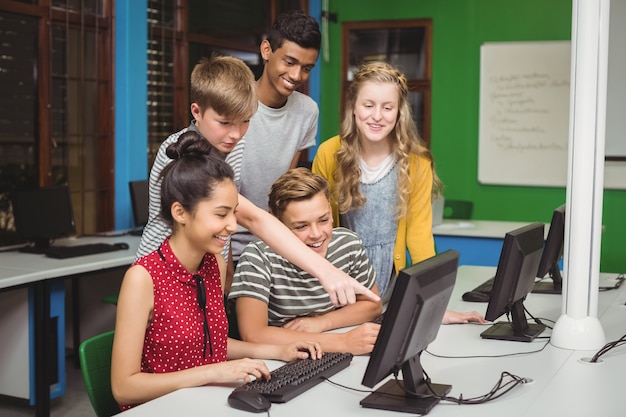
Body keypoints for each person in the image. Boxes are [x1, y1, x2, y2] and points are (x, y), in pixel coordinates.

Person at [136, 54, 378, 306]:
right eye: (225, 122)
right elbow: (252, 217)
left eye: (245, 121)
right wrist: (325, 270)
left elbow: (225, 220)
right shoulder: (182, 155)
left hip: (205, 271)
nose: (235, 133)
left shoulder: (231, 144)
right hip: (164, 275)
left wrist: (225, 277)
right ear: (196, 112)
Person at [111, 134, 322, 410]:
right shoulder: (143, 278)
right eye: (221, 215)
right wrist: (212, 373)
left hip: (204, 403)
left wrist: (280, 351)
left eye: (234, 213)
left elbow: (211, 343)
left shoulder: (214, 265)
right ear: (180, 212)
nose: (233, 225)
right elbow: (124, 388)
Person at [312, 61, 484, 323]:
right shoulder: (329, 154)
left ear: (399, 112)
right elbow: (316, 228)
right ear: (353, 108)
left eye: (387, 107)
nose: (377, 116)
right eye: (368, 105)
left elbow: (420, 236)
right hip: (338, 286)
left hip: (391, 286)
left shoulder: (416, 162)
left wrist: (435, 307)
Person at [229, 168, 382, 355]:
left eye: (323, 220)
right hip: (282, 359)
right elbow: (253, 335)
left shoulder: (348, 244)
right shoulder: (257, 258)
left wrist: (321, 322)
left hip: (327, 345)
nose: (317, 234)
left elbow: (373, 305)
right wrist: (342, 342)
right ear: (277, 225)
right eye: (301, 226)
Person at [226, 10, 320, 277]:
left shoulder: (307, 111)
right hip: (226, 249)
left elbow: (285, 190)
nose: (297, 75)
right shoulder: (232, 108)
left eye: (306, 68)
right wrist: (226, 268)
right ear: (267, 50)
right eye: (289, 62)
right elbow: (216, 196)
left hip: (276, 251)